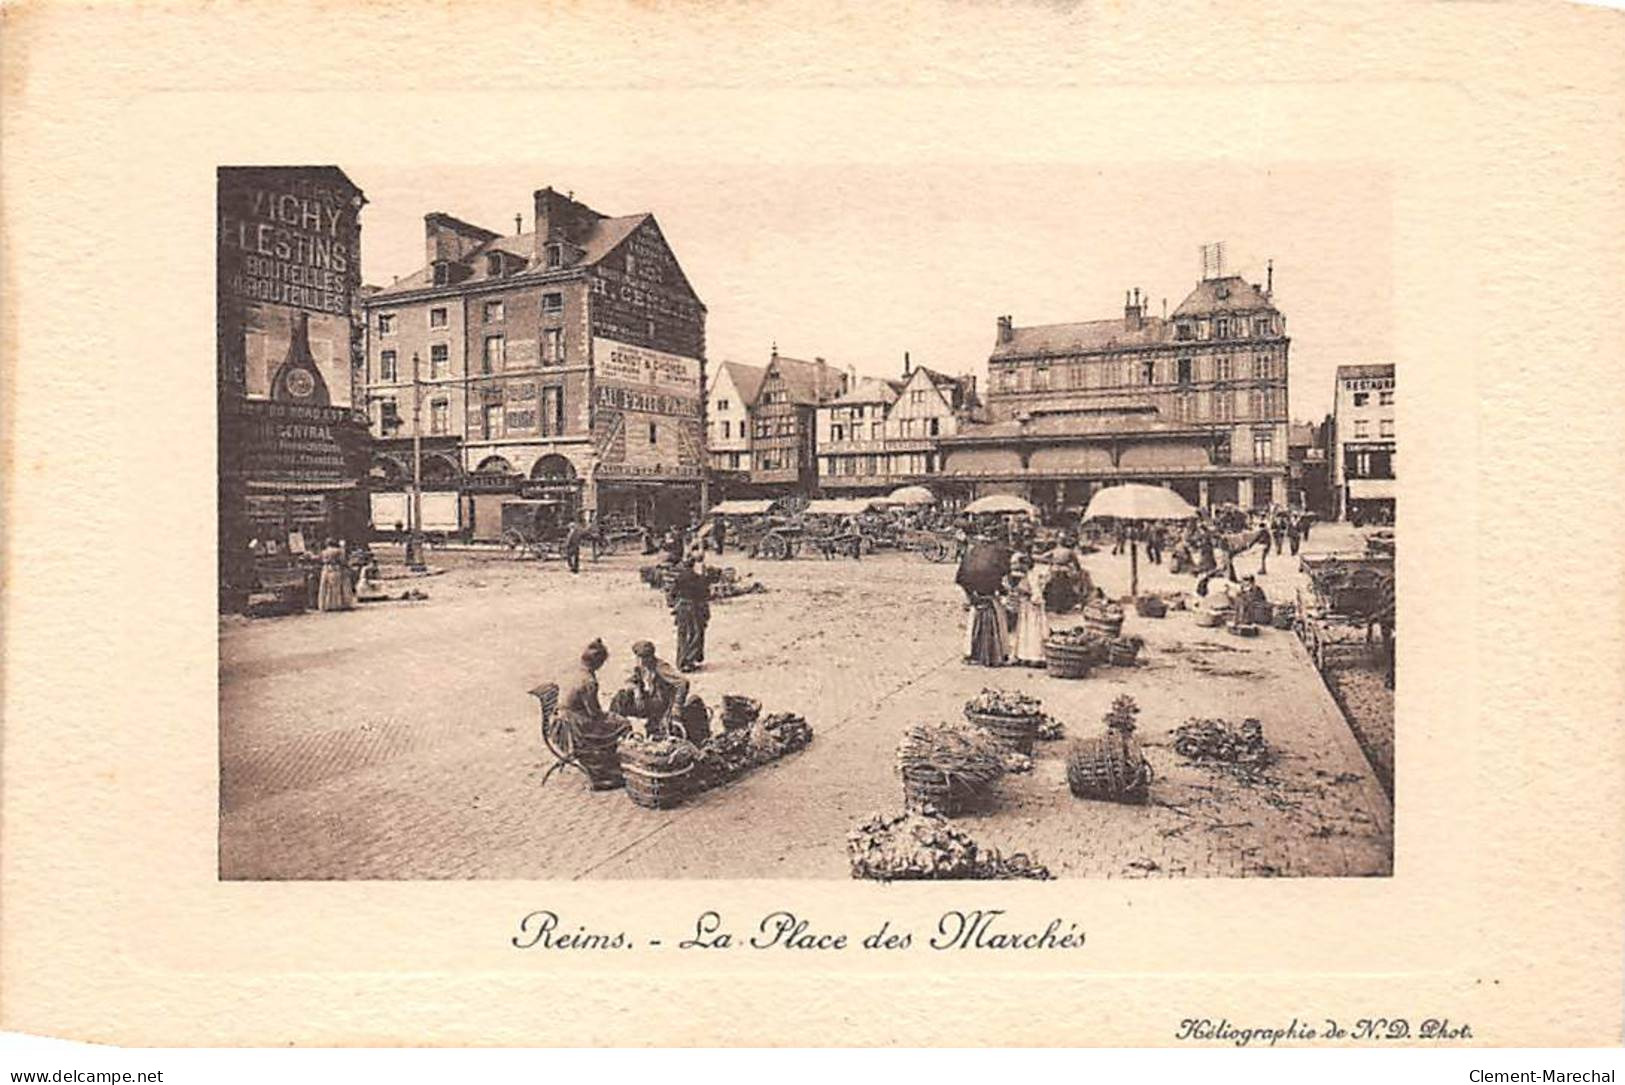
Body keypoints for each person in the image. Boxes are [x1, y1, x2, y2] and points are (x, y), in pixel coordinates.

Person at [558, 639, 629, 791]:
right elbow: (594, 713)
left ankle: (604, 765)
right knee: (622, 724)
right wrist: (612, 716)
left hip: (561, 718)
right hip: (575, 725)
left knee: (614, 721)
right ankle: (604, 770)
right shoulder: (589, 681)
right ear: (598, 663)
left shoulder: (577, 671)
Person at [615, 641, 691, 737]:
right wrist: (637, 691)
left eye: (645, 657)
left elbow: (683, 683)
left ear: (651, 656)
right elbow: (631, 681)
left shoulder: (661, 667)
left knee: (657, 734)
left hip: (661, 704)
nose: (642, 661)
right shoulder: (641, 667)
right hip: (648, 700)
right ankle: (617, 730)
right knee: (621, 697)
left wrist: (676, 708)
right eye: (639, 657)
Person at [956, 536, 1011, 666]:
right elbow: (1001, 581)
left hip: (976, 597)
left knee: (973, 628)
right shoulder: (996, 555)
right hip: (990, 597)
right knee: (996, 625)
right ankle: (994, 653)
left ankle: (974, 652)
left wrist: (970, 596)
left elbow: (962, 580)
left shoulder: (971, 556)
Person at [670, 556, 711, 672]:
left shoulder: (679, 578)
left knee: (683, 635)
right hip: (694, 608)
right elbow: (705, 595)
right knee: (695, 633)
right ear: (693, 565)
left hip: (682, 608)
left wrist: (674, 604)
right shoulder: (698, 578)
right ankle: (689, 661)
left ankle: (681, 662)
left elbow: (672, 594)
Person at [1010, 554, 1053, 667]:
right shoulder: (1029, 575)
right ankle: (1025, 655)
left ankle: (1035, 656)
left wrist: (1027, 596)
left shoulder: (1032, 576)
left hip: (1032, 608)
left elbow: (1036, 594)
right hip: (1026, 607)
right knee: (1026, 631)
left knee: (1032, 631)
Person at [316, 538, 353, 612]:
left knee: (326, 587)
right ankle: (337, 604)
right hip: (336, 568)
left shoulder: (324, 552)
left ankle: (327, 605)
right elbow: (342, 561)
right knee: (337, 587)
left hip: (326, 569)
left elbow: (319, 559)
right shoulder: (338, 551)